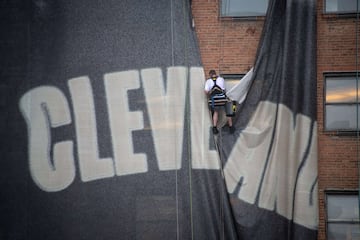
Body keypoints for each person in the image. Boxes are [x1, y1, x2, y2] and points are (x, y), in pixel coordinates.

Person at [204, 69, 235, 134]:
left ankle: (215, 128)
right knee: (228, 111)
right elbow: (224, 89)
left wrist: (209, 95)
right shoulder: (221, 79)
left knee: (216, 112)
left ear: (210, 75)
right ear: (215, 73)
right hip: (222, 99)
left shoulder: (208, 81)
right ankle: (231, 127)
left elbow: (206, 91)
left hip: (214, 100)